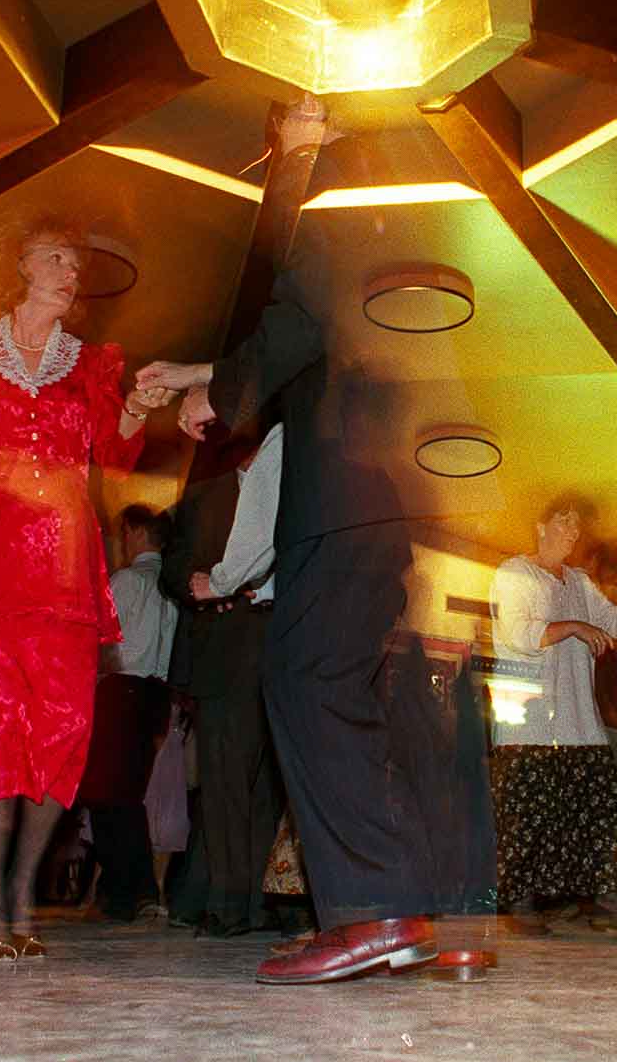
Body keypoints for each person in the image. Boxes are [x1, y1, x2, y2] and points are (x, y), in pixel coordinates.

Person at [138, 99, 459, 984]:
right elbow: (322, 336)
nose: (282, 139)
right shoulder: (396, 211)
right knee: (336, 691)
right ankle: (396, 905)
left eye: (290, 124)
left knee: (310, 682)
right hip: (375, 496)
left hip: (338, 501)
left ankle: (375, 912)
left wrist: (222, 396)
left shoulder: (339, 194)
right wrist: (213, 372)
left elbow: (294, 316)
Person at [0, 217, 169, 961]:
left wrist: (138, 406)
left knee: (64, 730)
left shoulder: (94, 363)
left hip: (68, 567)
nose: (69, 269)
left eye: (76, 261)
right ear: (12, 267)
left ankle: (20, 894)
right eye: (54, 255)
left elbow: (115, 447)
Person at [487, 500, 617, 935]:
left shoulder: (578, 581)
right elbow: (519, 635)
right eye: (564, 521)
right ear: (539, 526)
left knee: (598, 812)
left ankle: (609, 900)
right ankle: (521, 907)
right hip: (529, 721)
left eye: (577, 526)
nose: (572, 531)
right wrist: (573, 626)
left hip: (579, 721)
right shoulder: (514, 573)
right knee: (529, 817)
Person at [160, 425, 284, 938]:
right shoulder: (207, 494)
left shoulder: (290, 481)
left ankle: (252, 903)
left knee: (266, 788)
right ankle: (230, 904)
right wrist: (205, 586)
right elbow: (173, 568)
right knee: (224, 782)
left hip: (280, 648)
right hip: (227, 647)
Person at [81, 504, 178, 922]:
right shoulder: (171, 587)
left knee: (107, 794)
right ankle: (128, 889)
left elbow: (104, 640)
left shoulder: (125, 580)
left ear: (137, 532)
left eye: (124, 534)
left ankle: (128, 891)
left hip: (121, 690)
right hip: (157, 694)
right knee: (127, 792)